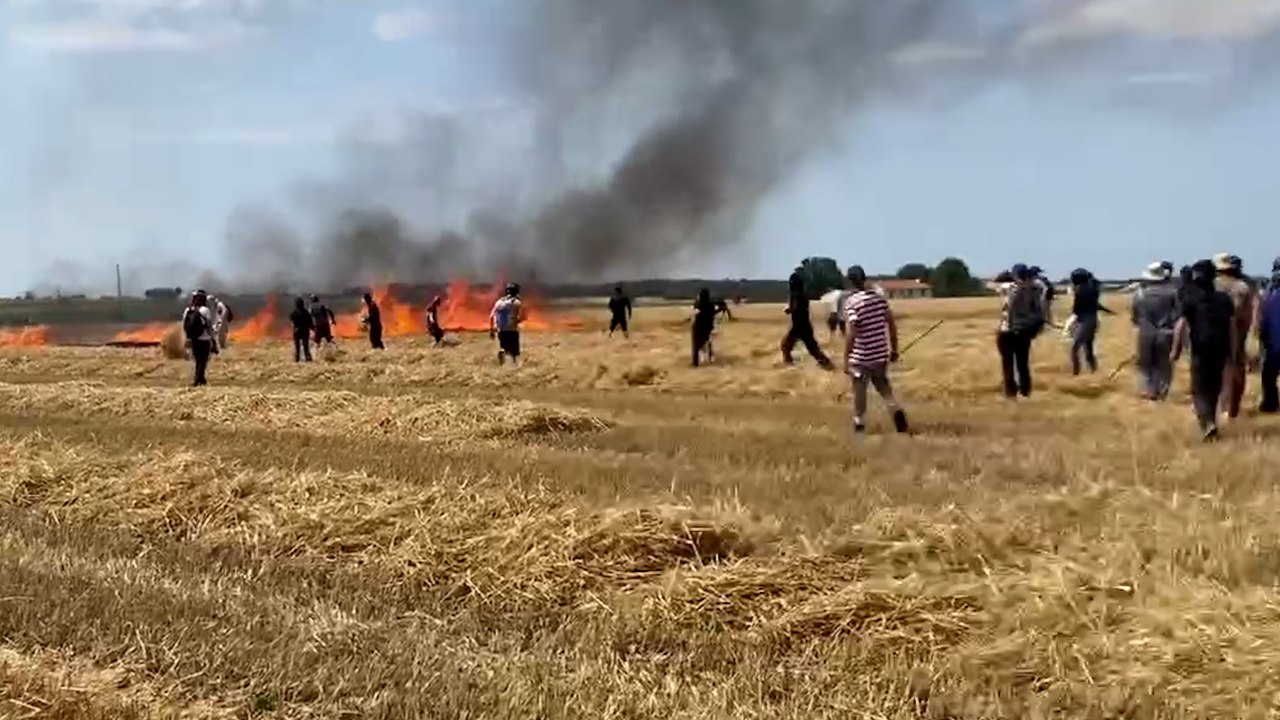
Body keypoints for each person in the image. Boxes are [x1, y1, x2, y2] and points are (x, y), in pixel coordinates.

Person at [1174, 259, 1238, 441]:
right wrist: (1233, 353)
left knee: (1199, 389)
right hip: (1221, 349)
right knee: (1214, 389)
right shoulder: (1224, 299)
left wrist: (1175, 349)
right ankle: (1210, 422)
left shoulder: (1190, 298)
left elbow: (1181, 325)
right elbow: (1232, 328)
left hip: (1200, 349)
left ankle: (1208, 423)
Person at [842, 266, 908, 434]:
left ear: (850, 281)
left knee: (860, 391)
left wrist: (846, 358)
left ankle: (859, 423)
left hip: (861, 357)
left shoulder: (851, 303)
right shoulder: (880, 300)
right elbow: (891, 326)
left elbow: (851, 333)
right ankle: (895, 409)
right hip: (880, 354)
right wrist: (894, 350)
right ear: (864, 278)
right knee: (884, 388)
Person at [1214, 253, 1257, 420]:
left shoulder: (1210, 286)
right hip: (1236, 334)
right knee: (1234, 370)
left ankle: (1218, 407)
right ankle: (1231, 408)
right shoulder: (1242, 287)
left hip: (1212, 335)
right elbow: (1247, 315)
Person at [1131, 261, 1181, 401]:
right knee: (1164, 365)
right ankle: (1161, 393)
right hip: (1166, 333)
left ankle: (1148, 391)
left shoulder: (1140, 294)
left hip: (1145, 333)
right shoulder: (1173, 292)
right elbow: (1178, 316)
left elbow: (1135, 317)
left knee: (1145, 365)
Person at [997, 263, 1045, 399]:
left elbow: (1009, 307)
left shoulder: (1011, 289)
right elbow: (1039, 310)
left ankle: (1010, 392)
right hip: (1024, 330)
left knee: (1007, 363)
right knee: (1023, 363)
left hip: (1007, 330)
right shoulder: (1035, 289)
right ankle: (1025, 390)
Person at [780, 270, 833, 369]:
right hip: (805, 325)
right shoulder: (803, 294)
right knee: (812, 349)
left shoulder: (795, 294)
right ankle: (826, 363)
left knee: (785, 346)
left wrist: (787, 309)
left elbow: (794, 308)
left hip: (798, 326)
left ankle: (788, 364)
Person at [1065, 268, 1114, 375]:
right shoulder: (1090, 289)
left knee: (1074, 349)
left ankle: (1076, 372)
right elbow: (1096, 305)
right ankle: (1093, 370)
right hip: (1092, 320)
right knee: (1088, 348)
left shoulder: (1080, 291)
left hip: (1085, 321)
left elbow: (1076, 310)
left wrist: (1070, 324)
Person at [1258, 257, 1280, 414]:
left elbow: (1262, 321)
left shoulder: (1268, 294)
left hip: (1273, 343)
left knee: (1268, 376)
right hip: (1273, 340)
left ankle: (1270, 404)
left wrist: (1262, 339)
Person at [181, 290, 215, 387]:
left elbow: (184, 325)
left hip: (193, 339)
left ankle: (201, 379)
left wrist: (187, 338)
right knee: (202, 361)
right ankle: (197, 380)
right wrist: (213, 340)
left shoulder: (188, 310)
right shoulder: (205, 310)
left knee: (197, 360)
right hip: (204, 339)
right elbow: (209, 326)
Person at [490, 282, 523, 366]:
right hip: (511, 329)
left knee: (504, 346)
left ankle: (502, 352)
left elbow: (491, 316)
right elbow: (522, 316)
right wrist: (518, 320)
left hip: (500, 329)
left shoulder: (498, 302)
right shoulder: (516, 302)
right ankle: (515, 365)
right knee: (514, 351)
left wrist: (492, 331)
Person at [691, 288, 718, 367]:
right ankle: (710, 357)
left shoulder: (698, 304)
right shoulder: (711, 304)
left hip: (698, 327)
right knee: (708, 342)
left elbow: (694, 313)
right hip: (708, 327)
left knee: (696, 345)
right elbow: (713, 314)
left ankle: (695, 362)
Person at [289, 296, 314, 362]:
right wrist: (313, 328)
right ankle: (308, 358)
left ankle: (297, 359)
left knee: (297, 346)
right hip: (305, 330)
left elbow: (291, 321)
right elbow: (310, 321)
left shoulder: (294, 312)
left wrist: (295, 327)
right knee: (306, 345)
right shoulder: (306, 312)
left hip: (297, 330)